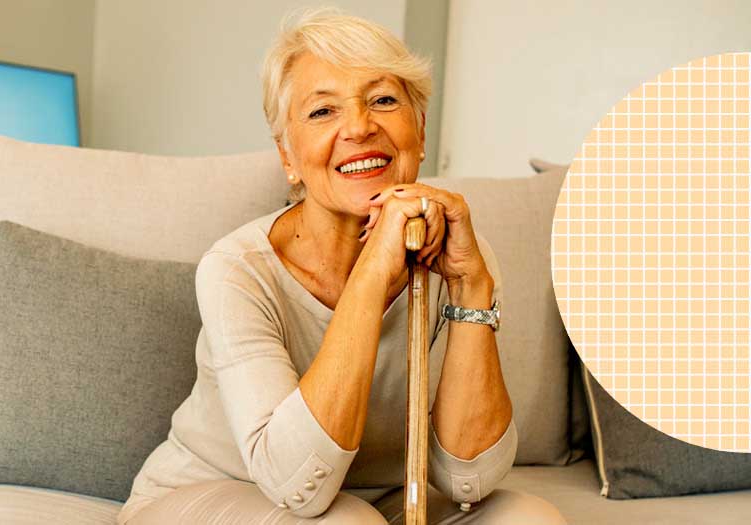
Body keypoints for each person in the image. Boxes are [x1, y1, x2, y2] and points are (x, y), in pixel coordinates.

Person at [117, 8, 567, 524]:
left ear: (418, 130)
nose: (359, 126)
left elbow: (472, 480)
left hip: (386, 502)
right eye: (322, 112)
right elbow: (297, 488)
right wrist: (372, 272)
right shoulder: (237, 269)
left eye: (383, 100)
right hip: (221, 493)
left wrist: (470, 285)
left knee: (530, 518)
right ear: (288, 156)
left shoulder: (460, 254)